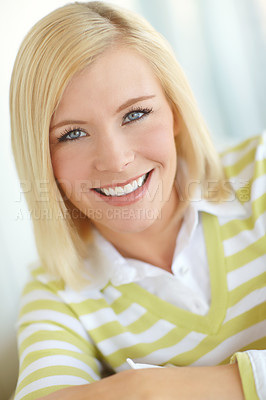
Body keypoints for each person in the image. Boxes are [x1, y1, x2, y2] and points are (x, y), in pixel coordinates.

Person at [10, 2, 265, 400]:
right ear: (43, 157)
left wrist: (149, 387)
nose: (115, 161)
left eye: (135, 114)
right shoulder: (57, 292)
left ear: (175, 110)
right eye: (72, 134)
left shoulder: (260, 173)